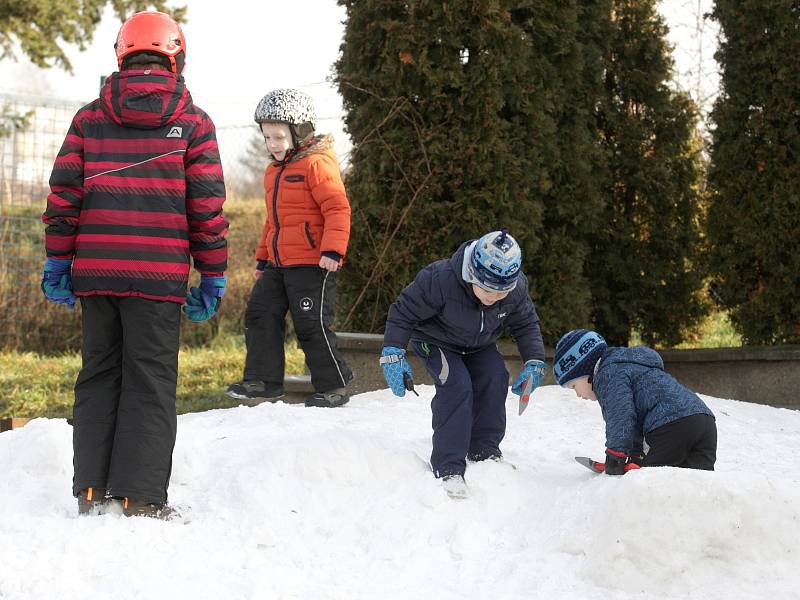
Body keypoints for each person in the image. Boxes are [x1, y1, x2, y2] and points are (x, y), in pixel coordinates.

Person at [41, 10, 228, 518]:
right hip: (158, 277)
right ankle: (140, 496)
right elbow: (206, 207)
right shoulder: (194, 123)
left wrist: (58, 263)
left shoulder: (88, 118)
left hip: (96, 274)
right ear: (176, 55)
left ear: (122, 55)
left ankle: (90, 489)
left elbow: (64, 200)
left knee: (99, 372)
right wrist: (212, 272)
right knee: (149, 378)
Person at [380, 230, 547, 498]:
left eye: (501, 292)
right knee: (456, 385)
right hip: (435, 341)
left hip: (478, 344)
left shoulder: (516, 290)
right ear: (471, 272)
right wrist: (393, 353)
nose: (494, 297)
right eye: (488, 290)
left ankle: (484, 450)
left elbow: (526, 324)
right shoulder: (439, 279)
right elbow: (402, 312)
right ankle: (448, 466)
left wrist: (535, 360)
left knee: (495, 378)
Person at [226, 89, 353, 408]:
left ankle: (334, 384)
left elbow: (337, 208)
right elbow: (274, 221)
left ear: (301, 132)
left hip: (315, 263)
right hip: (278, 263)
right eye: (267, 137)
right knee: (260, 312)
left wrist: (333, 251)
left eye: (279, 137)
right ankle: (264, 381)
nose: (272, 145)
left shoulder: (317, 164)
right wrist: (262, 258)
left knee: (310, 323)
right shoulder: (273, 173)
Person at [554, 329, 717, 474]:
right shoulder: (631, 366)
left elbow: (621, 415)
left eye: (573, 385)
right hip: (705, 422)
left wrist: (615, 456)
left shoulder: (607, 374)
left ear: (584, 370)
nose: (577, 394)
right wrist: (635, 456)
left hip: (672, 426)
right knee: (697, 487)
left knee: (648, 486)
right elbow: (635, 420)